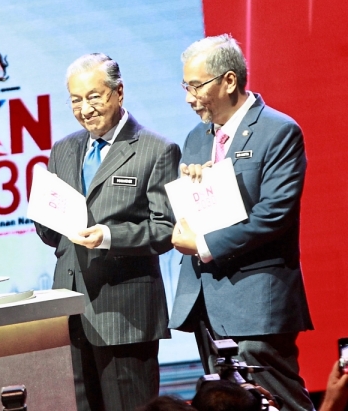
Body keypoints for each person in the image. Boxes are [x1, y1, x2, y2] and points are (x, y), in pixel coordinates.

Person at [168, 34, 314, 411]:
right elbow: (190, 212)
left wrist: (203, 245)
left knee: (280, 402)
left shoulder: (278, 131)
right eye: (185, 87)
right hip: (206, 304)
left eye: (196, 86)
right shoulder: (195, 138)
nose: (189, 97)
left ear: (229, 81)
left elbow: (274, 214)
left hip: (257, 302)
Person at [34, 53, 181, 411]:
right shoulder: (63, 150)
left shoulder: (156, 150)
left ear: (119, 92)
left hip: (125, 315)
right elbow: (51, 234)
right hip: (69, 313)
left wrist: (109, 237)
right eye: (75, 100)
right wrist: (42, 211)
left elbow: (166, 229)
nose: (85, 109)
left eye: (93, 97)